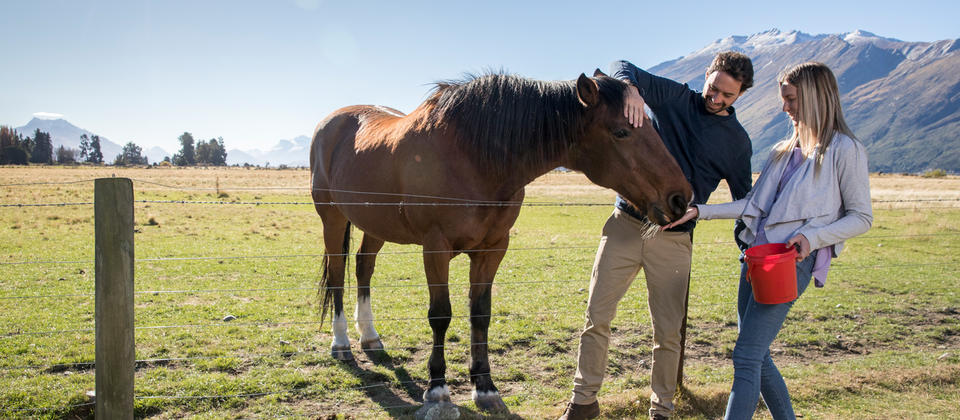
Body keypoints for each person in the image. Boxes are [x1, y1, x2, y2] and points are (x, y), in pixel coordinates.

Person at [663, 62, 873, 419]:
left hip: (791, 264)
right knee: (758, 356)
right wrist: (700, 211)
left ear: (814, 97)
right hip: (756, 260)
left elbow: (861, 217)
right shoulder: (784, 151)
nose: (784, 107)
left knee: (746, 356)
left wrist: (812, 236)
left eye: (790, 99)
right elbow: (753, 205)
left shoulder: (844, 150)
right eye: (784, 99)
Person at [559, 51, 755, 420]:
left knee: (668, 336)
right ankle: (583, 403)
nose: (716, 98)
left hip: (675, 239)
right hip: (625, 225)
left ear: (740, 95)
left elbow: (745, 202)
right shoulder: (676, 97)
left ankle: (661, 410)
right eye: (713, 88)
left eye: (727, 95)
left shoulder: (737, 143)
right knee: (596, 317)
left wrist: (749, 249)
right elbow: (621, 66)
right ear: (707, 75)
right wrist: (630, 90)